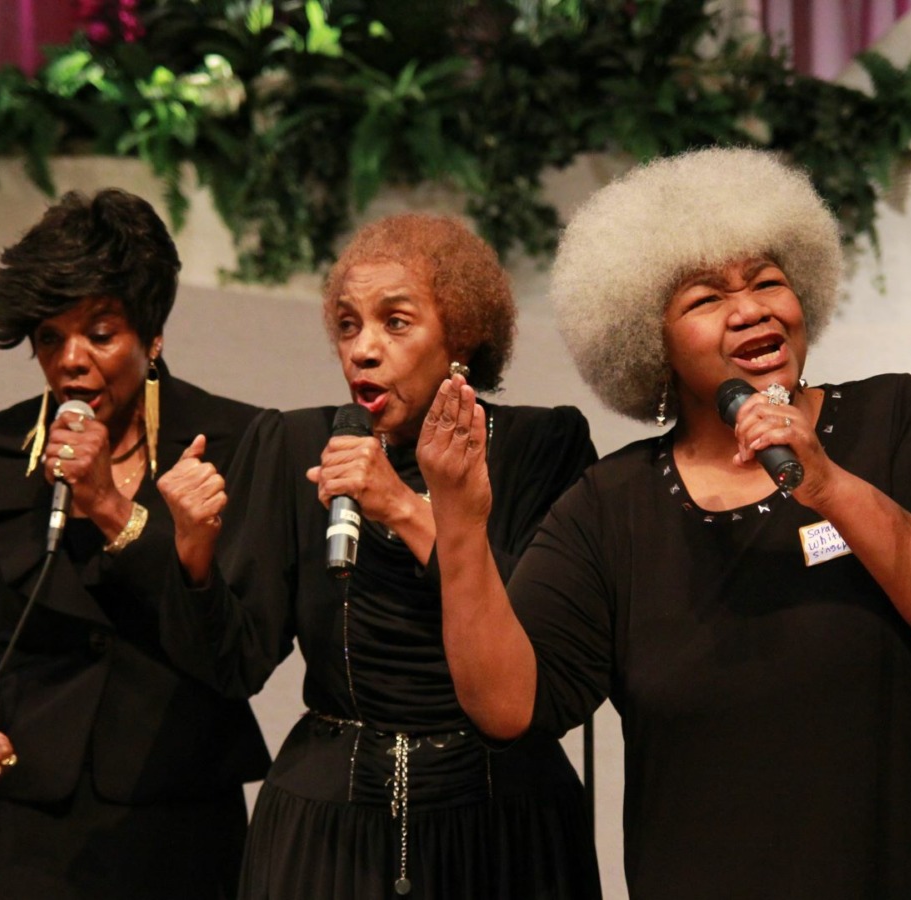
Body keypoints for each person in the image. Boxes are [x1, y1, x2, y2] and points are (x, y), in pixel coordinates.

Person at [418, 147, 911, 898]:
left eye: (767, 282)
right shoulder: (610, 507)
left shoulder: (894, 418)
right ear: (648, 341)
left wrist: (829, 485)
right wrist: (459, 521)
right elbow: (509, 707)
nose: (751, 309)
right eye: (706, 299)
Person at [159, 213, 602, 899]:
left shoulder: (540, 449)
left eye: (395, 323)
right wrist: (193, 552)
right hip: (329, 829)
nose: (363, 350)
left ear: (461, 334)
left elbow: (542, 646)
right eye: (347, 325)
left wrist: (403, 508)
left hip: (500, 824)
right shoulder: (294, 447)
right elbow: (233, 664)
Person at [0, 188, 269, 899]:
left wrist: (110, 506)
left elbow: (241, 655)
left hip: (177, 825)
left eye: (100, 334)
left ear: (153, 334)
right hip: (23, 829)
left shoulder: (236, 443)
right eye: (50, 339)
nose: (71, 362)